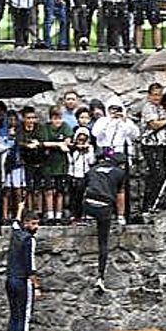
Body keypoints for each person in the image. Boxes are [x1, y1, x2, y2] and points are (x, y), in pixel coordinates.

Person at [83, 151, 126, 291]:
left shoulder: (93, 169)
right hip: (104, 207)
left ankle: (86, 217)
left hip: (88, 204)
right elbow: (120, 196)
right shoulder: (119, 172)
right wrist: (120, 217)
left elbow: (81, 188)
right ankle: (100, 277)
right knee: (103, 243)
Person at [4, 201, 41, 331]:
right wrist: (36, 286)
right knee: (24, 317)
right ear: (26, 223)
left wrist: (19, 208)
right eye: (33, 223)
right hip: (22, 280)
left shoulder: (16, 234)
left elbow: (15, 223)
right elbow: (30, 265)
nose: (36, 227)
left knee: (14, 315)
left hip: (10, 278)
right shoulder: (29, 240)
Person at [140, 82, 166, 214]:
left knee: (162, 174)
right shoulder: (148, 107)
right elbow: (154, 124)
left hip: (162, 144)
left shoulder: (162, 108)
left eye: (159, 95)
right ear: (149, 95)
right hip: (151, 144)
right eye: (154, 95)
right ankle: (148, 204)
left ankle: (157, 201)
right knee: (156, 174)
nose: (157, 98)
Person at [40, 109, 73, 225]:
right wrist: (58, 144)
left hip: (62, 164)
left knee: (60, 191)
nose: (57, 121)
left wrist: (61, 143)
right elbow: (44, 143)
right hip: (48, 164)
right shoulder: (45, 128)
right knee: (49, 190)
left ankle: (58, 215)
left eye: (59, 118)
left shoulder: (65, 126)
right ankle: (50, 215)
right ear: (51, 119)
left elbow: (67, 141)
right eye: (55, 118)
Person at [17, 106, 47, 214]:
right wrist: (27, 145)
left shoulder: (39, 128)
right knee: (28, 188)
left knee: (38, 188)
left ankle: (38, 210)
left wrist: (38, 144)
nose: (31, 121)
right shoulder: (20, 129)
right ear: (24, 118)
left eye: (33, 118)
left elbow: (43, 140)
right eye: (28, 118)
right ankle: (29, 210)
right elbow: (19, 142)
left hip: (39, 160)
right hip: (26, 162)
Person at [68, 126, 95, 224]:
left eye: (84, 140)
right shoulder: (72, 149)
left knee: (82, 197)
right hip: (73, 174)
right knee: (73, 197)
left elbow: (91, 161)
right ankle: (73, 215)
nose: (81, 142)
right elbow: (70, 161)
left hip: (84, 174)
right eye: (80, 139)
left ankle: (83, 215)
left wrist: (87, 151)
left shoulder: (90, 148)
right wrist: (76, 149)